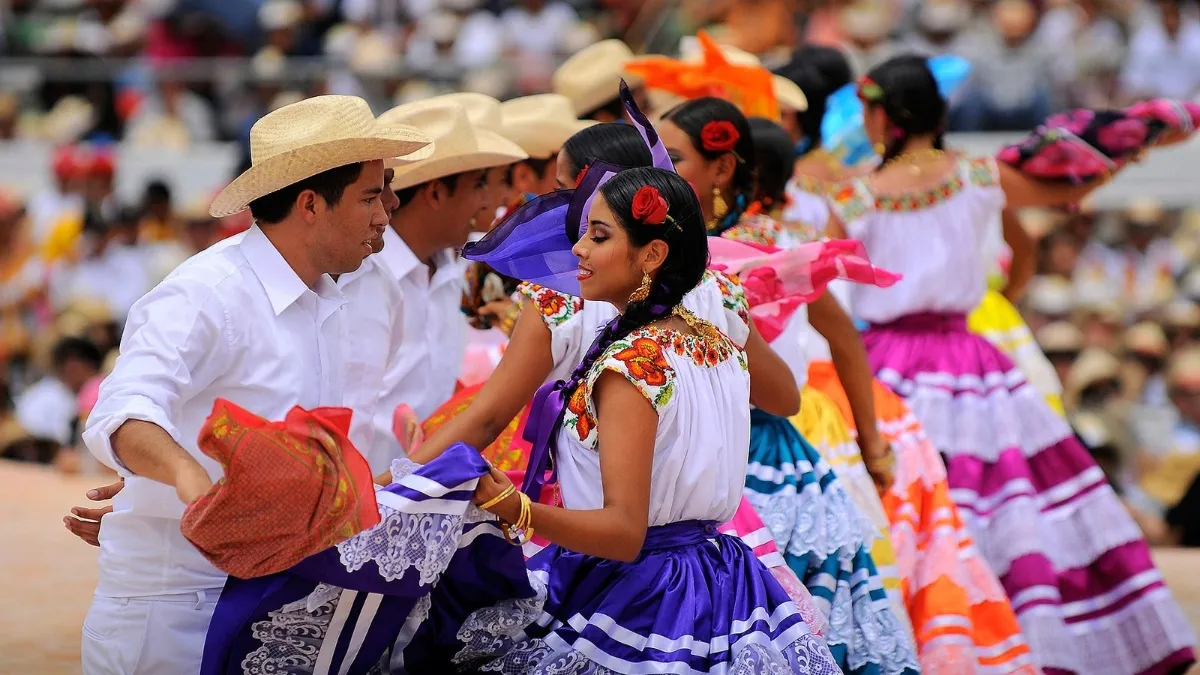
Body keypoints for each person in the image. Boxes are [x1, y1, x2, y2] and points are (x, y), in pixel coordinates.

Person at [829, 54, 1197, 674]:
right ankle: (1021, 636)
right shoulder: (978, 175)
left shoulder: (853, 195)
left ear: (884, 114)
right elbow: (1062, 198)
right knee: (1014, 499)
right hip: (971, 356)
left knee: (899, 499)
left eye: (868, 110)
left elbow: (833, 292)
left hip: (883, 360)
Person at [76, 95, 432, 675]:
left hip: (265, 596)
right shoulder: (208, 292)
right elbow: (123, 409)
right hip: (175, 610)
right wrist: (190, 481)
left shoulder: (328, 299)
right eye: (371, 195)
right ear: (311, 204)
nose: (387, 212)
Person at [454, 165, 841, 672]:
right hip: (721, 579)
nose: (578, 250)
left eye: (598, 235)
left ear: (653, 254)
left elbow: (623, 531)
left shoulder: (631, 367)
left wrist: (517, 508)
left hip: (641, 594)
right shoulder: (719, 343)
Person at [655, 94, 922, 674]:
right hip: (690, 450)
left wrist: (872, 441)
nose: (657, 171)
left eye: (671, 158)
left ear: (721, 168)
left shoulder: (760, 244)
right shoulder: (668, 243)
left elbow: (840, 339)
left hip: (758, 452)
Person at [363, 101, 527, 468]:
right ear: (436, 194)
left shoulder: (450, 270)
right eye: (480, 184)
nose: (491, 200)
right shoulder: (362, 278)